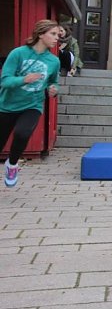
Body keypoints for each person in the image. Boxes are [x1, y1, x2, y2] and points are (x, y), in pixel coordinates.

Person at [1, 19, 61, 187]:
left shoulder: (53, 61)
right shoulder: (18, 53)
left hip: (32, 105)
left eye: (57, 34)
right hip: (7, 105)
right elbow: (5, 81)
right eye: (53, 34)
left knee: (22, 133)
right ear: (41, 34)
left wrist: (53, 89)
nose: (57, 38)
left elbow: (53, 81)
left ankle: (12, 164)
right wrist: (24, 79)